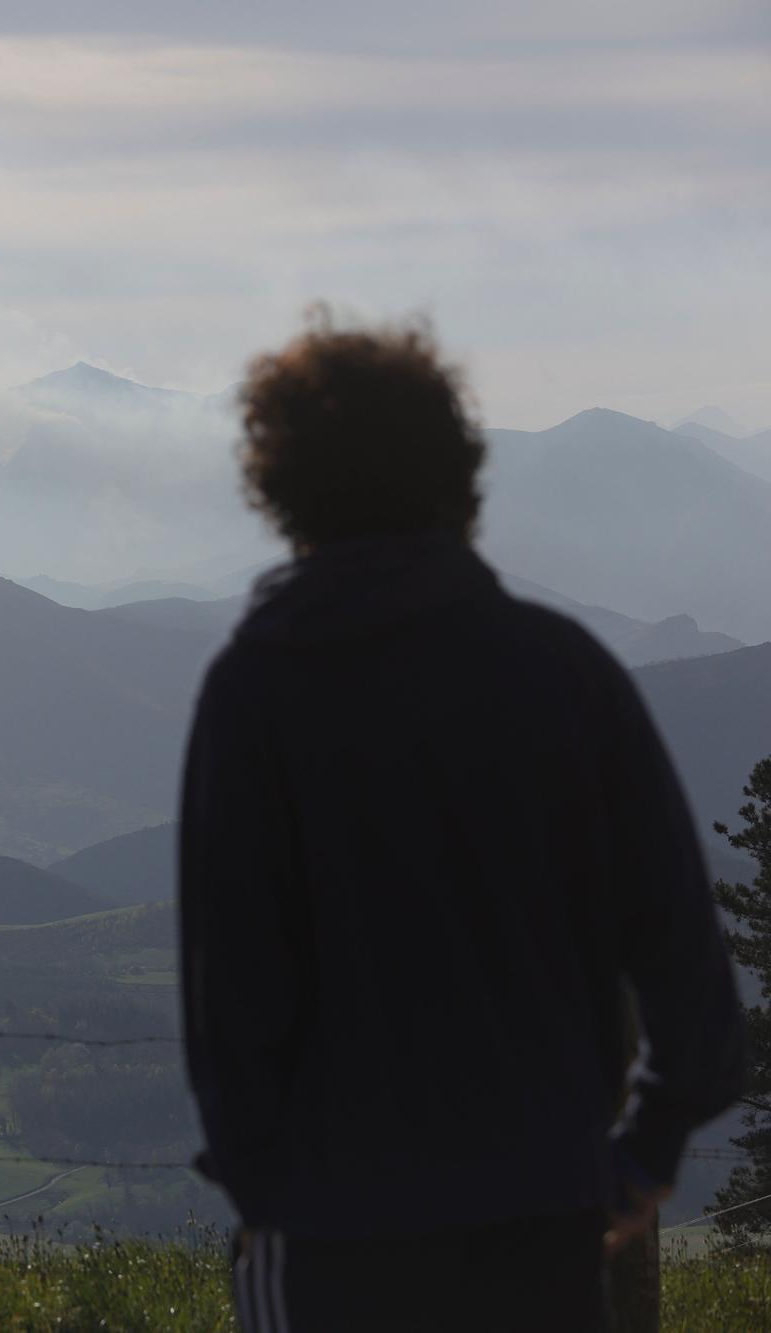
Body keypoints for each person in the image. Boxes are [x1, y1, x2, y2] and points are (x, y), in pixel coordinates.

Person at [178, 311, 744, 1331]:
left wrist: (264, 1189)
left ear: (275, 484)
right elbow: (691, 985)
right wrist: (638, 1157)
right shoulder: (567, 675)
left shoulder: (255, 690)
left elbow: (231, 998)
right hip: (539, 1232)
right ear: (458, 476)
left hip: (324, 1238)